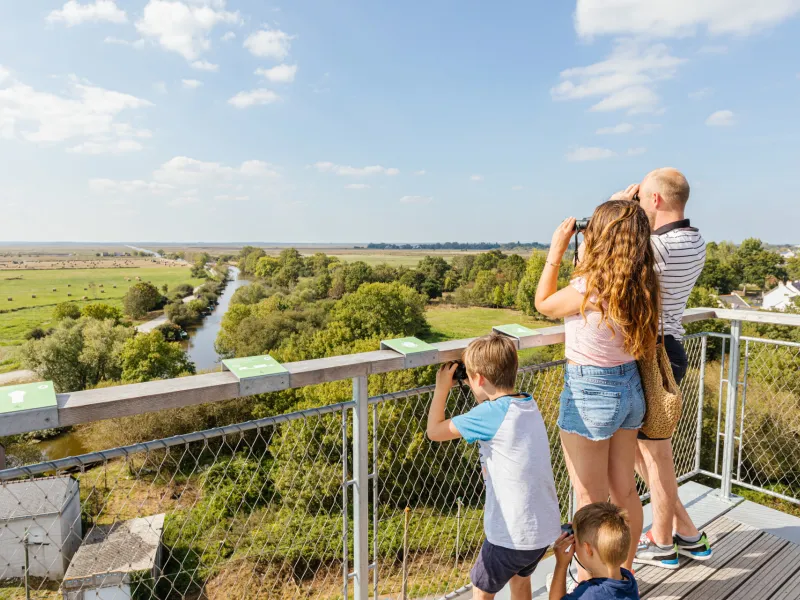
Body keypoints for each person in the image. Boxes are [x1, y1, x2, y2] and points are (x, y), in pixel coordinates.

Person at [535, 200, 660, 576]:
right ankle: (624, 569)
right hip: (630, 389)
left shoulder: (590, 286)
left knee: (589, 497)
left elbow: (543, 303)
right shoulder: (643, 282)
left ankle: (591, 577)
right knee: (624, 491)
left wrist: (556, 252)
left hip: (591, 393)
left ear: (602, 237)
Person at [610, 169, 713, 568]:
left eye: (642, 198)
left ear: (653, 200)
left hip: (653, 356)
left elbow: (609, 261)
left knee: (655, 457)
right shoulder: (695, 240)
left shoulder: (659, 248)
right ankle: (685, 532)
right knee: (644, 455)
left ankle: (664, 541)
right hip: (668, 350)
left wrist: (619, 209)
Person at [427, 333, 561, 600]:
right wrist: (474, 382)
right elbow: (492, 404)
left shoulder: (488, 415)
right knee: (520, 581)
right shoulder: (527, 403)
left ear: (478, 379)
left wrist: (442, 388)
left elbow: (434, 432)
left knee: (482, 590)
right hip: (541, 530)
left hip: (509, 535)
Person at [550, 502, 639, 600]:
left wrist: (561, 565)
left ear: (588, 549)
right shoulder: (628, 579)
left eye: (576, 541)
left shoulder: (590, 594)